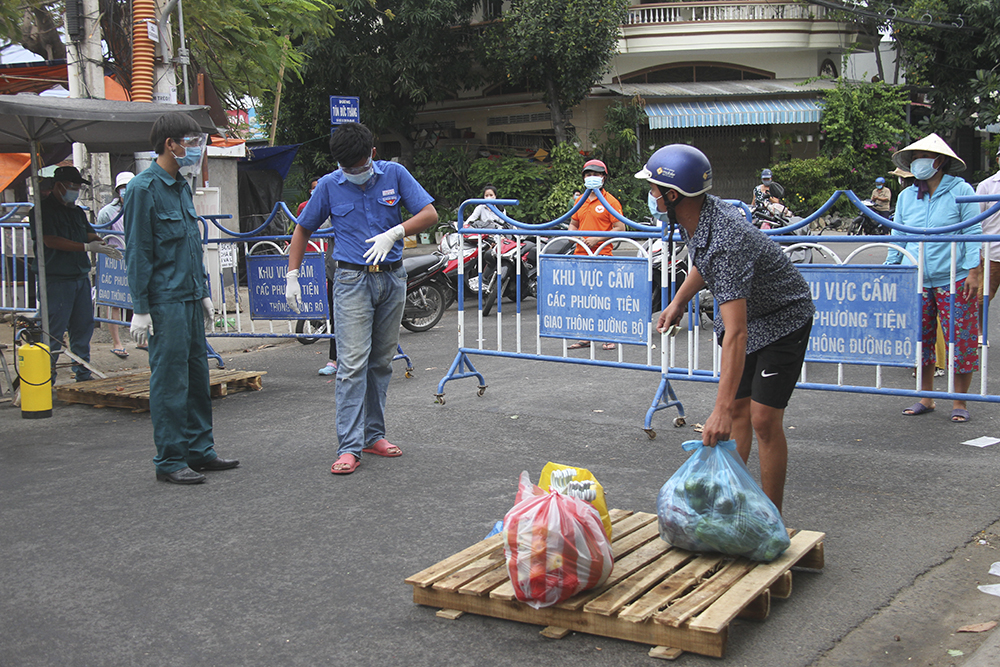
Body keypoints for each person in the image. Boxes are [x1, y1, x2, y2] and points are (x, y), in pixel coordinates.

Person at [645, 145, 814, 513]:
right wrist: (677, 302)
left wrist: (716, 410)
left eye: (655, 188)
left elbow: (736, 334)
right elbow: (705, 263)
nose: (652, 195)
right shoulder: (696, 216)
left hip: (783, 317)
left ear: (673, 195)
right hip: (750, 316)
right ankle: (732, 504)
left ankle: (770, 518)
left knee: (763, 418)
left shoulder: (725, 235)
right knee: (739, 411)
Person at [285, 122, 438, 475]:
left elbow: (429, 214)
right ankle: (349, 447)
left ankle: (374, 435)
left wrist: (397, 231)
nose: (354, 173)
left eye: (360, 165)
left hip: (392, 278)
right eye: (347, 168)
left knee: (381, 363)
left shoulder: (395, 175)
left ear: (372, 153)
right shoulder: (328, 185)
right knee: (352, 365)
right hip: (352, 280)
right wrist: (292, 275)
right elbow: (303, 227)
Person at [124, 112, 240, 484]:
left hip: (189, 297)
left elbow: (191, 246)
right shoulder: (143, 189)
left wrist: (204, 294)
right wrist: (140, 308)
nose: (195, 147)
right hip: (164, 302)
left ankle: (199, 451)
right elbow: (138, 251)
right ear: (170, 144)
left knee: (195, 376)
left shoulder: (181, 186)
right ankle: (171, 459)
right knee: (170, 382)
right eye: (189, 141)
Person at [885, 133, 981, 423]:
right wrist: (892, 268)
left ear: (938, 161)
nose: (916, 163)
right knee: (920, 340)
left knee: (961, 339)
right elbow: (898, 234)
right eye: (913, 158)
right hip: (917, 277)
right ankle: (926, 398)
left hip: (955, 276)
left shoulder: (961, 191)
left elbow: (973, 233)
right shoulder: (906, 196)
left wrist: (974, 271)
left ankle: (959, 401)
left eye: (921, 158)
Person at [30, 166, 122, 383]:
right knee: (53, 330)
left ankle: (82, 371)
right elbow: (50, 240)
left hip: (79, 276)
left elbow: (87, 232)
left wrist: (99, 242)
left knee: (82, 327)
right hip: (55, 278)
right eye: (72, 186)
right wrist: (86, 247)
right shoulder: (42, 211)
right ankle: (45, 378)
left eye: (77, 187)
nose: (76, 190)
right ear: (58, 185)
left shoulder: (76, 211)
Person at [567, 159, 626, 351]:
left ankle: (609, 336)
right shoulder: (579, 201)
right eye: (588, 174)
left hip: (602, 256)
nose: (592, 178)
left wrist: (596, 239)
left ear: (604, 178)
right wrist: (572, 236)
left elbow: (620, 228)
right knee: (583, 298)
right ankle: (586, 336)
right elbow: (573, 223)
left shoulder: (610, 201)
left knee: (604, 297)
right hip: (581, 255)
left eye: (596, 174)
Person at [96, 170, 134, 358]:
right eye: (123, 188)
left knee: (138, 299)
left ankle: (141, 341)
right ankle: (117, 342)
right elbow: (101, 236)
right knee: (115, 304)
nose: (126, 191)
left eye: (129, 187)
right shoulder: (107, 212)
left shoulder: (140, 207)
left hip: (135, 258)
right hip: (114, 261)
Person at [976, 144, 1000, 333]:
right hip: (992, 251)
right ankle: (980, 331)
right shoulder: (987, 185)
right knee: (984, 294)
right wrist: (977, 251)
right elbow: (975, 220)